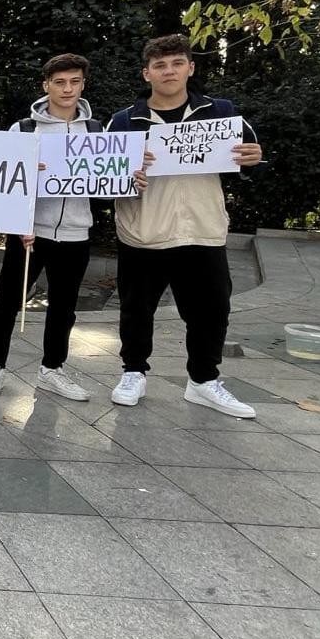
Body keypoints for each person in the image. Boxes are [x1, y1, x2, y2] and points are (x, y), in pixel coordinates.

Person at [107, 34, 264, 418]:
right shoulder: (124, 120)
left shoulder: (224, 115)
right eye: (160, 65)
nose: (169, 71)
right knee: (136, 309)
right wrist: (127, 173)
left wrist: (252, 157)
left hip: (202, 229)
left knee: (212, 309)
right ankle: (133, 372)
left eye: (177, 63)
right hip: (143, 231)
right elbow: (103, 177)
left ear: (190, 68)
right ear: (147, 74)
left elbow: (247, 164)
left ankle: (203, 380)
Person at [0, 53, 106, 401]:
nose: (67, 89)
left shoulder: (97, 131)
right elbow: (4, 181)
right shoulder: (23, 129)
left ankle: (53, 369)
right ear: (46, 85)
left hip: (76, 233)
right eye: (60, 82)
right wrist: (17, 218)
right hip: (29, 232)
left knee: (64, 307)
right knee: (7, 302)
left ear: (83, 84)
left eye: (74, 81)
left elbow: (106, 184)